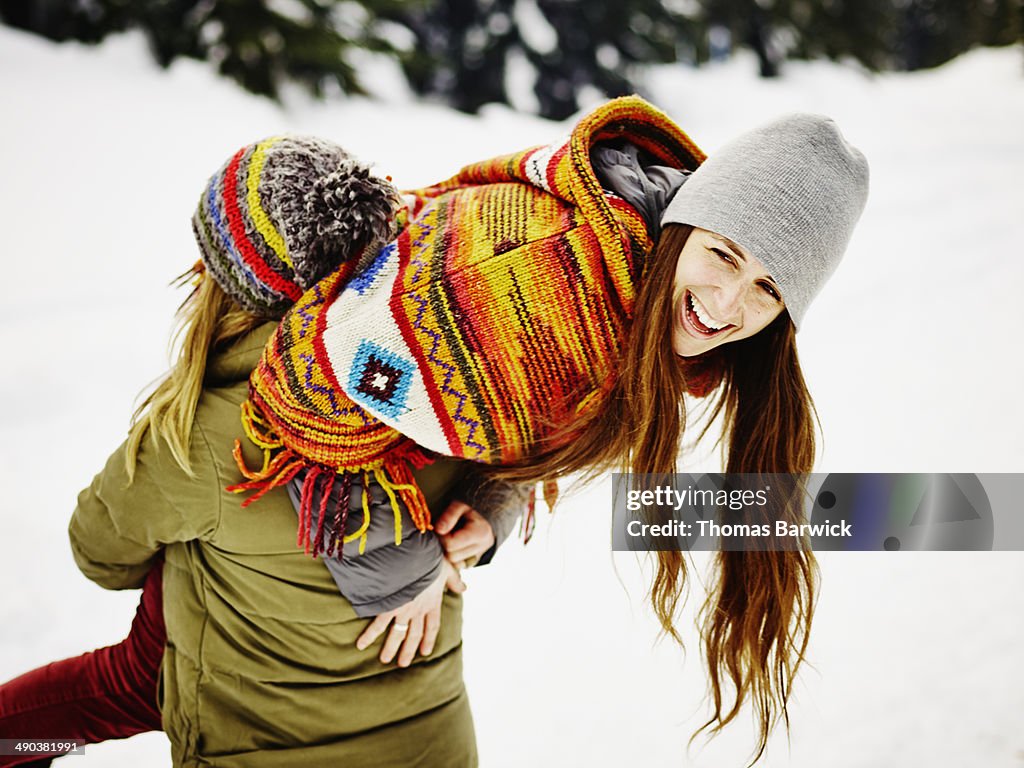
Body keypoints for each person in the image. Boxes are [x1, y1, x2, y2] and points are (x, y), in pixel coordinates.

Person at [5, 94, 869, 766]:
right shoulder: (472, 324)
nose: (728, 305)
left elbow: (100, 548)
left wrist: (484, 501)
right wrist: (428, 544)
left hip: (236, 698)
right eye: (724, 255)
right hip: (422, 732)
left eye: (769, 290)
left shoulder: (232, 423)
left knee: (97, 699)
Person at [0, 136, 528, 768]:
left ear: (221, 286)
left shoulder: (199, 439)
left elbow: (98, 553)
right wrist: (493, 506)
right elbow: (530, 448)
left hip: (244, 734)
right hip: (434, 749)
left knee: (48, 716)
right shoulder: (446, 377)